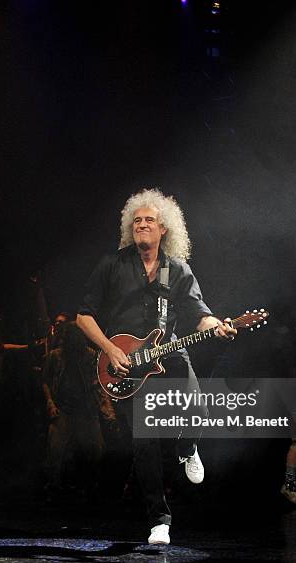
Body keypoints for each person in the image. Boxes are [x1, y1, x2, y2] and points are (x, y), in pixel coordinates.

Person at [77, 187, 235, 544]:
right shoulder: (112, 265)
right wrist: (110, 350)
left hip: (168, 354)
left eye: (149, 220)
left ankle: (187, 447)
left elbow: (199, 314)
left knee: (198, 409)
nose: (142, 225)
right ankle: (159, 521)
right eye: (137, 221)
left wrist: (219, 327)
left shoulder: (177, 269)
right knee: (145, 443)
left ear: (164, 228)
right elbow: (83, 316)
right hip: (126, 362)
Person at [43, 322, 104, 499]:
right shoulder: (56, 356)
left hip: (85, 410)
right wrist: (51, 404)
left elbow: (96, 384)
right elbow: (45, 380)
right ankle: (54, 487)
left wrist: (106, 412)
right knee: (56, 452)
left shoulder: (90, 356)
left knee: (96, 449)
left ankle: (89, 486)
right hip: (63, 409)